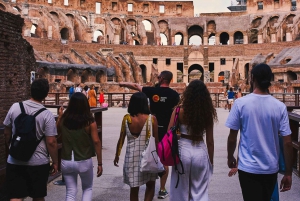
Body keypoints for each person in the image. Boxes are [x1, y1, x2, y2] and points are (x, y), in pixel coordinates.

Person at [226, 63, 293, 201]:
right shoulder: (279, 107)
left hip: (248, 168)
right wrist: (288, 172)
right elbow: (287, 142)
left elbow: (232, 138)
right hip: (270, 167)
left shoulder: (241, 103)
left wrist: (230, 157)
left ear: (253, 78)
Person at [119, 70, 179, 199]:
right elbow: (176, 112)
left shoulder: (152, 91)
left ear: (162, 78)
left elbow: (135, 86)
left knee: (144, 151)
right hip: (166, 130)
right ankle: (162, 189)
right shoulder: (174, 94)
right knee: (163, 160)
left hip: (151, 126)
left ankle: (141, 178)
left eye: (158, 77)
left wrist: (123, 83)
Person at [3, 78, 58, 201]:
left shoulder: (15, 107)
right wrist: (55, 161)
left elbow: (7, 132)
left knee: (16, 196)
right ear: (46, 94)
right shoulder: (46, 114)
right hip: (38, 162)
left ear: (31, 91)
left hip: (15, 159)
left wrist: (11, 147)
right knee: (38, 196)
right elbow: (51, 142)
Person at [167, 80, 216, 201]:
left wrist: (179, 134)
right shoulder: (207, 113)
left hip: (183, 148)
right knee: (200, 191)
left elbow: (169, 132)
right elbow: (210, 141)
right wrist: (211, 162)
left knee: (180, 191)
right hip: (200, 150)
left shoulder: (179, 110)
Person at [57, 92, 103, 201]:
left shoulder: (64, 120)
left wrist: (59, 117)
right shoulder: (89, 121)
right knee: (87, 189)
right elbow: (96, 141)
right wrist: (100, 163)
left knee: (70, 192)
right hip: (84, 160)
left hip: (67, 160)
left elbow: (57, 133)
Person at [113, 92, 159, 201]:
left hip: (131, 158)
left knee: (134, 189)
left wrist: (117, 155)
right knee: (150, 185)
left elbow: (121, 139)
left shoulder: (127, 119)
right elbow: (157, 141)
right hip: (148, 158)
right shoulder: (151, 119)